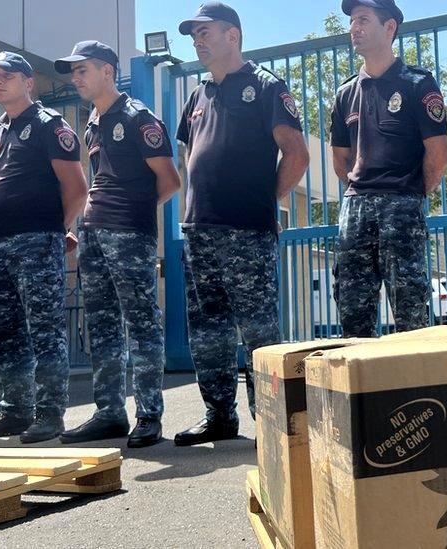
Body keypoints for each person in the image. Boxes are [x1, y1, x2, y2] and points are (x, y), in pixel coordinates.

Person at [175, 2, 310, 446]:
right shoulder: (197, 96)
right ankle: (218, 415)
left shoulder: (266, 86)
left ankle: (270, 421)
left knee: (257, 329)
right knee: (206, 327)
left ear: (232, 35)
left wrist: (264, 200)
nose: (197, 40)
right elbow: (186, 156)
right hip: (200, 231)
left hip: (247, 230)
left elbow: (296, 153)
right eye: (193, 34)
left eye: (205, 31)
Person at [54, 41, 181, 447]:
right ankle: (109, 412)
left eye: (83, 70)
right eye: (73, 72)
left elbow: (170, 180)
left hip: (128, 234)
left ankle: (148, 415)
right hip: (93, 235)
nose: (76, 78)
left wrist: (129, 214)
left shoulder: (138, 117)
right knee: (104, 325)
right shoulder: (93, 121)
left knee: (141, 323)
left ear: (108, 70)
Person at [0, 52, 88, 443]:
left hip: (37, 242)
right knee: (6, 331)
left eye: (7, 76)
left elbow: (76, 188)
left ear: (28, 82)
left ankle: (50, 414)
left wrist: (56, 231)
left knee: (44, 330)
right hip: (1, 245)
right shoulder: (3, 128)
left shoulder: (48, 125)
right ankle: (16, 411)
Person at [330, 0, 447, 338]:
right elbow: (341, 159)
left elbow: (438, 156)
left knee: (411, 312)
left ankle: (413, 389)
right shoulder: (345, 93)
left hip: (402, 204)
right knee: (352, 313)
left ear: (390, 27)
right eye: (352, 21)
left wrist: (407, 194)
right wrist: (365, 190)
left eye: (363, 19)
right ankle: (360, 391)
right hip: (355, 209)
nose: (355, 27)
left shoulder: (418, 84)